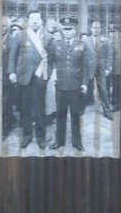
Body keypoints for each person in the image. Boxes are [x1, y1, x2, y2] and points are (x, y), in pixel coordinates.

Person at [8, 10, 51, 149]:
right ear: (28, 21)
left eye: (37, 18)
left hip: (40, 76)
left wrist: (49, 73)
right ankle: (27, 136)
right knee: (25, 108)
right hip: (24, 76)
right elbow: (12, 56)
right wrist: (12, 72)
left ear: (41, 20)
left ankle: (41, 137)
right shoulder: (20, 35)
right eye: (32, 19)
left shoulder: (47, 36)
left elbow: (52, 58)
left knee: (40, 108)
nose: (35, 21)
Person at [48, 17, 89, 151]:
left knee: (75, 115)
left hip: (75, 87)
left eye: (69, 29)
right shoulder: (56, 44)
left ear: (74, 30)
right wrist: (53, 72)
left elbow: (85, 67)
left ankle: (77, 142)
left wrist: (84, 83)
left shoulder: (82, 45)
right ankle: (59, 141)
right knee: (60, 115)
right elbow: (50, 61)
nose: (67, 31)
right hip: (60, 86)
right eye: (65, 29)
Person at [84, 20, 114, 120]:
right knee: (84, 88)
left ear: (100, 29)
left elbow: (110, 55)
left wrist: (108, 68)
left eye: (98, 28)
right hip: (89, 68)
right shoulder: (86, 40)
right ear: (91, 29)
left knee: (104, 90)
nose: (96, 30)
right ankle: (81, 109)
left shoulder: (106, 40)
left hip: (102, 69)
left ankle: (107, 112)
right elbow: (83, 55)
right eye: (94, 28)